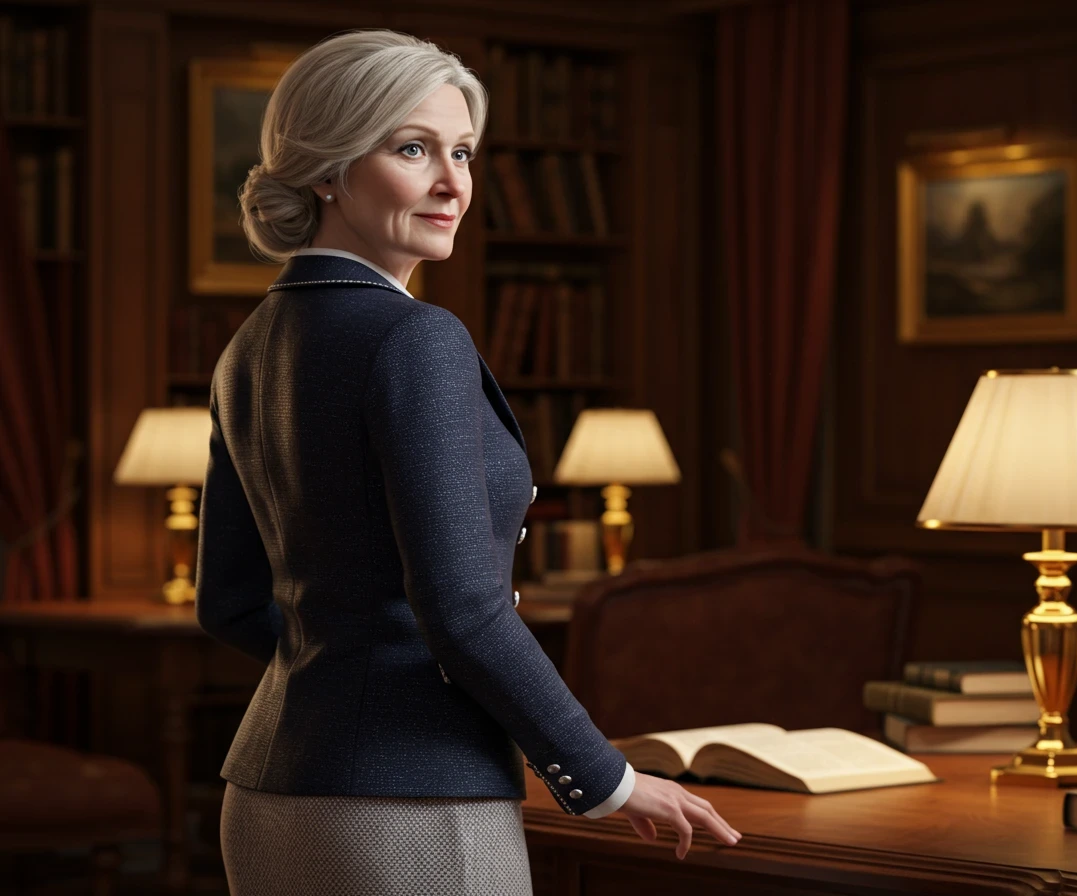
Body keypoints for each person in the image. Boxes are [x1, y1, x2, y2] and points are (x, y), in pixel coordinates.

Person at [194, 28, 740, 896]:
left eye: (463, 152)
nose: (454, 183)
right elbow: (461, 609)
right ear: (328, 169)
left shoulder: (248, 347)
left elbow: (227, 605)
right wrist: (610, 780)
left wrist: (352, 671)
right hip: (409, 808)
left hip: (269, 795)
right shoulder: (417, 337)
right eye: (414, 149)